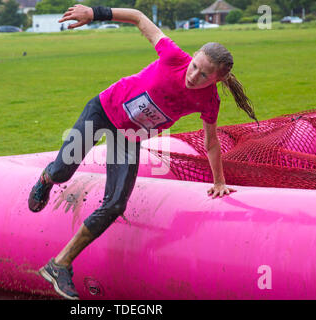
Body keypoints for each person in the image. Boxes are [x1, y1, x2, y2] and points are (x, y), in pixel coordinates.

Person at [28, 5, 258, 300]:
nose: (194, 76)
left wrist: (219, 182)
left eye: (204, 75)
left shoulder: (209, 101)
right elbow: (138, 17)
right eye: (195, 67)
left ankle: (59, 264)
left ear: (218, 80)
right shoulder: (174, 56)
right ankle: (46, 180)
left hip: (129, 136)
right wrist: (94, 13)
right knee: (62, 171)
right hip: (102, 111)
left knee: (114, 205)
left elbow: (211, 142)